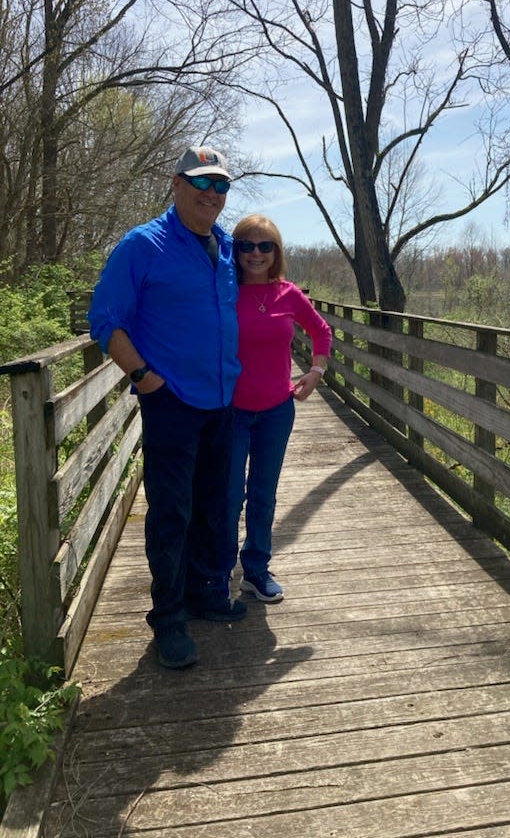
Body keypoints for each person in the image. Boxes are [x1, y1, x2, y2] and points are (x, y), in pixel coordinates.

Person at [88, 145, 246, 670]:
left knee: (213, 504)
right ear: (175, 184)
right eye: (201, 183)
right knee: (172, 512)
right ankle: (169, 618)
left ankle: (204, 594)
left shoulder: (225, 248)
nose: (212, 194)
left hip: (222, 401)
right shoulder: (143, 245)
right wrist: (144, 377)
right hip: (173, 402)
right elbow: (106, 319)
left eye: (221, 185)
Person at [225, 214, 332, 602]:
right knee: (229, 494)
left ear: (276, 252)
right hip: (230, 410)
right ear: (234, 251)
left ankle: (255, 569)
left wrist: (316, 371)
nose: (256, 253)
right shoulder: (224, 290)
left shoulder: (288, 294)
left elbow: (321, 330)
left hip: (275, 410)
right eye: (246, 245)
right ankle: (221, 571)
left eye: (265, 246)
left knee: (263, 493)